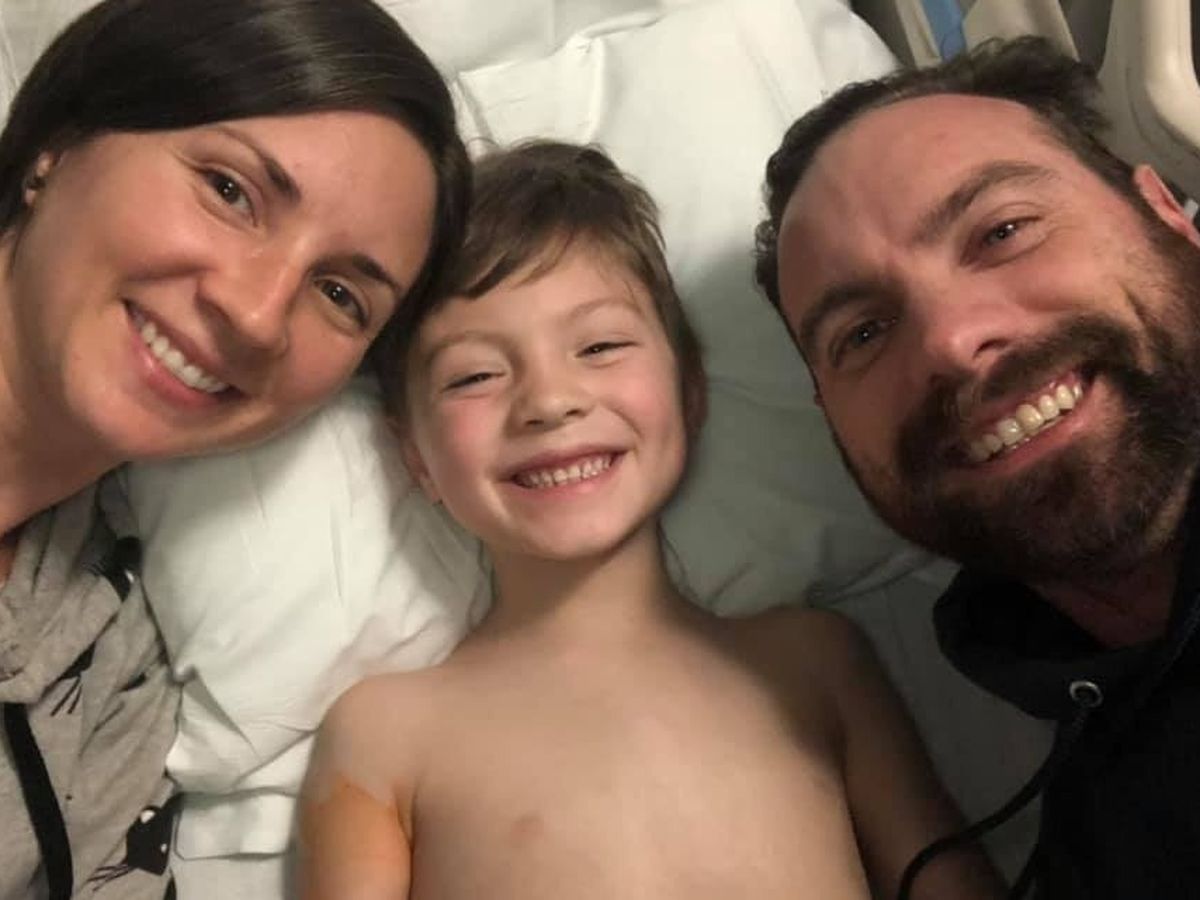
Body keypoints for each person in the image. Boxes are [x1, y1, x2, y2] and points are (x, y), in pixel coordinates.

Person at [297, 140, 1002, 900]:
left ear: (690, 393)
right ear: (415, 455)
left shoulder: (814, 662)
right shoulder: (385, 733)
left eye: (599, 346)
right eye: (474, 375)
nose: (549, 401)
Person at [0, 0, 470, 896]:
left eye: (340, 294)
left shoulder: (106, 679)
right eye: (229, 191)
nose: (257, 315)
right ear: (59, 142)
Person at [754, 35, 1200, 900]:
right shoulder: (1094, 828)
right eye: (863, 333)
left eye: (1002, 232)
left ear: (1165, 210)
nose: (951, 343)